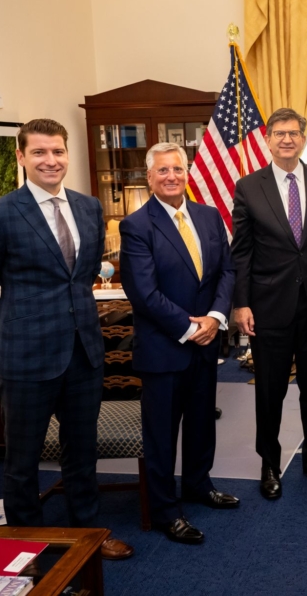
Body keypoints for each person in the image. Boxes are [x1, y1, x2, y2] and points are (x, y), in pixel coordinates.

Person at [0, 119, 133, 560]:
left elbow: (84, 274)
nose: (50, 160)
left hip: (82, 353)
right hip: (22, 359)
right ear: (21, 157)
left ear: (67, 154)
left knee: (82, 452)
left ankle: (89, 534)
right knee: (22, 462)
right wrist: (11, 325)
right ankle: (27, 547)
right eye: (39, 152)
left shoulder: (89, 208)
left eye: (57, 151)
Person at [119, 143, 237, 545]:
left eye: (178, 169)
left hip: (206, 345)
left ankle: (199, 486)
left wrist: (217, 318)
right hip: (164, 348)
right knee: (162, 434)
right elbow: (143, 293)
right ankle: (166, 509)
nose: (172, 176)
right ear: (149, 177)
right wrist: (190, 327)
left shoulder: (207, 216)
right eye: (163, 170)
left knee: (202, 423)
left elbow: (226, 271)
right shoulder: (137, 225)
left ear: (188, 173)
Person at [231, 108, 307, 499]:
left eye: (294, 133)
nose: (287, 139)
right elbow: (241, 252)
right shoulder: (249, 187)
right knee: (270, 392)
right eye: (279, 133)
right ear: (267, 138)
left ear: (303, 137)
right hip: (268, 307)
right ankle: (269, 465)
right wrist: (241, 303)